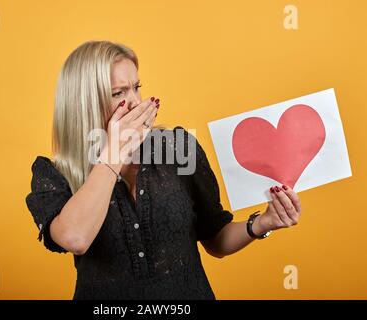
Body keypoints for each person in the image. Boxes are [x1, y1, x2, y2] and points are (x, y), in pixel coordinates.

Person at [25, 40, 303, 300]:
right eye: (118, 93)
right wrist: (113, 152)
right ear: (82, 104)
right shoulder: (53, 173)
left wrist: (262, 224)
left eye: (136, 87)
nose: (135, 101)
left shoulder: (178, 148)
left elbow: (216, 238)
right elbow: (76, 238)